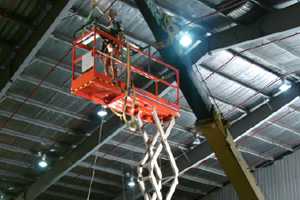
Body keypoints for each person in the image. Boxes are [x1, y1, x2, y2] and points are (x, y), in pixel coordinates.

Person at [102, 9, 124, 80]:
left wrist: (119, 48)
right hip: (109, 46)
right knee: (106, 63)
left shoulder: (117, 26)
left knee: (112, 62)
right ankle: (108, 77)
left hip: (114, 46)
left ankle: (114, 78)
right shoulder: (110, 27)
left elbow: (120, 35)